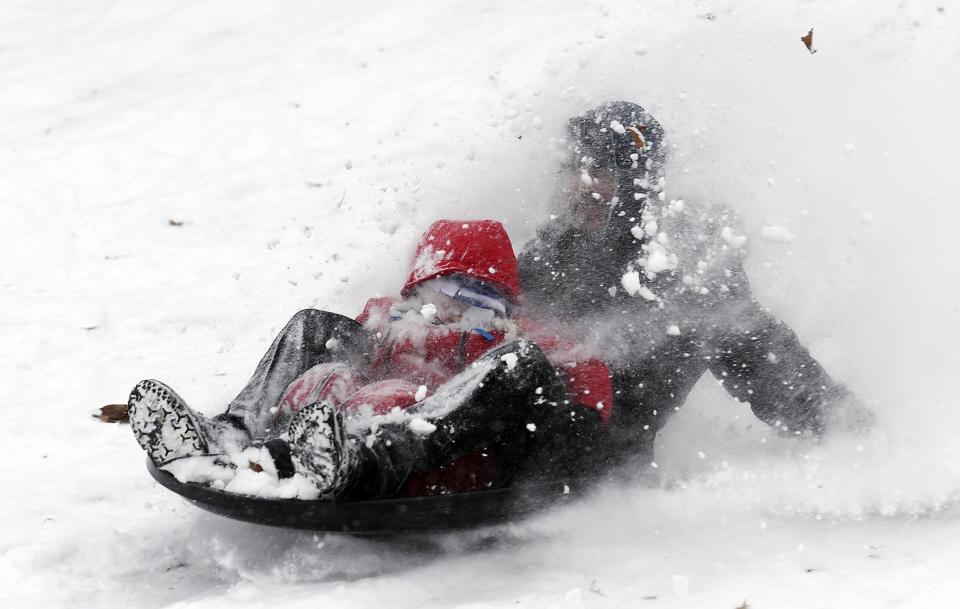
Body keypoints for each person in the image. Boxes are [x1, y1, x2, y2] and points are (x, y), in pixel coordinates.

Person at [129, 220, 611, 500]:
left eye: (468, 294)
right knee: (320, 339)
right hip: (337, 424)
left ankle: (354, 460)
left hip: (439, 455)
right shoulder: (391, 324)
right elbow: (352, 358)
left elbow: (587, 394)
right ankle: (233, 433)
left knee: (493, 369)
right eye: (434, 290)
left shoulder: (527, 344)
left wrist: (576, 429)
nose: (446, 306)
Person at [517, 101, 874, 470]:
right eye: (575, 168)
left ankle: (846, 431)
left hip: (596, 464)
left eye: (602, 171)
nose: (582, 184)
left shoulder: (687, 257)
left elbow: (758, 353)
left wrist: (851, 438)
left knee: (722, 317)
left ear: (637, 183)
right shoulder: (546, 254)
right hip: (517, 442)